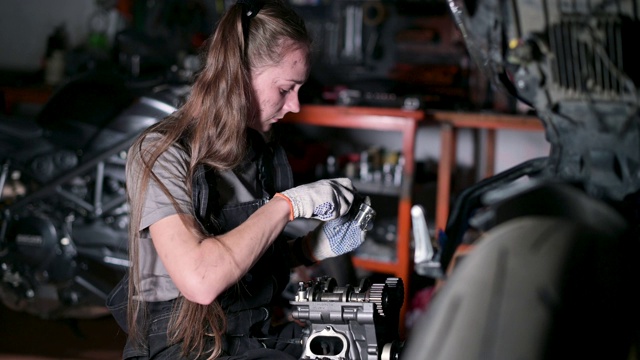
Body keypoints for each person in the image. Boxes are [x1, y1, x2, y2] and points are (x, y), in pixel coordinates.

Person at [106, 0, 369, 359]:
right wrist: (288, 205)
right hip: (186, 346)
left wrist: (309, 249)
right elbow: (201, 280)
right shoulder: (162, 153)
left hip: (249, 337)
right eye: (284, 89)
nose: (294, 106)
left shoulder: (259, 152)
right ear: (238, 77)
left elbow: (246, 264)